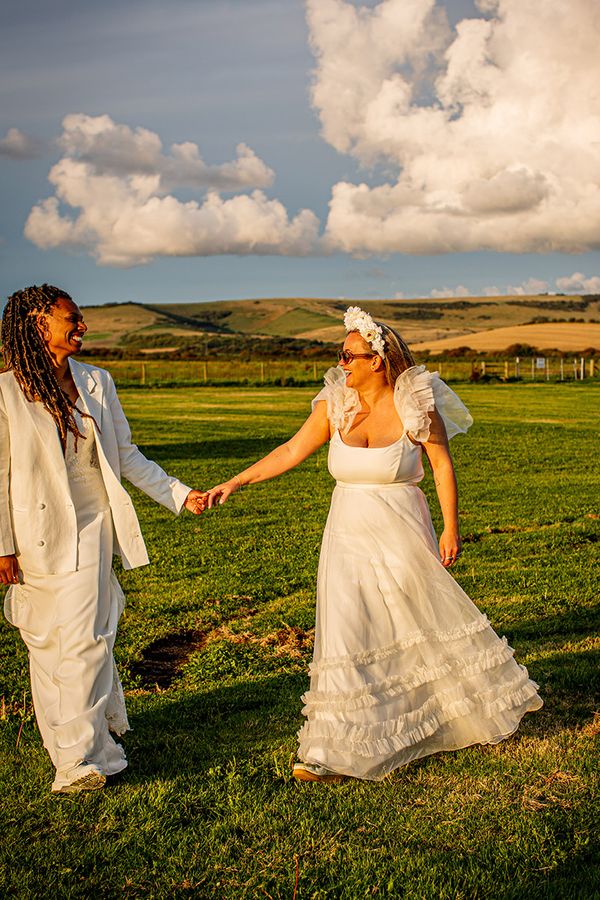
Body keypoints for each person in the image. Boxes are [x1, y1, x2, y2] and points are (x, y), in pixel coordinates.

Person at [206, 306, 542, 783]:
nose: (342, 363)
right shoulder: (334, 405)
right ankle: (333, 748)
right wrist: (234, 483)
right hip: (345, 533)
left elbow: (442, 466)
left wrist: (451, 528)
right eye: (341, 355)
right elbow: (290, 451)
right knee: (346, 627)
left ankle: (427, 716)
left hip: (402, 528)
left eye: (350, 355)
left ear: (378, 360)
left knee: (410, 627)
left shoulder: (415, 406)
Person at [0, 284, 206, 794]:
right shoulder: (4, 392)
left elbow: (127, 454)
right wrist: (2, 544)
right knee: (46, 641)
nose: (82, 327)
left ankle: (80, 760)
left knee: (88, 638)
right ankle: (71, 748)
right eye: (71, 319)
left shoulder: (97, 382)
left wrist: (179, 494)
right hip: (34, 533)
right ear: (37, 322)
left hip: (93, 522)